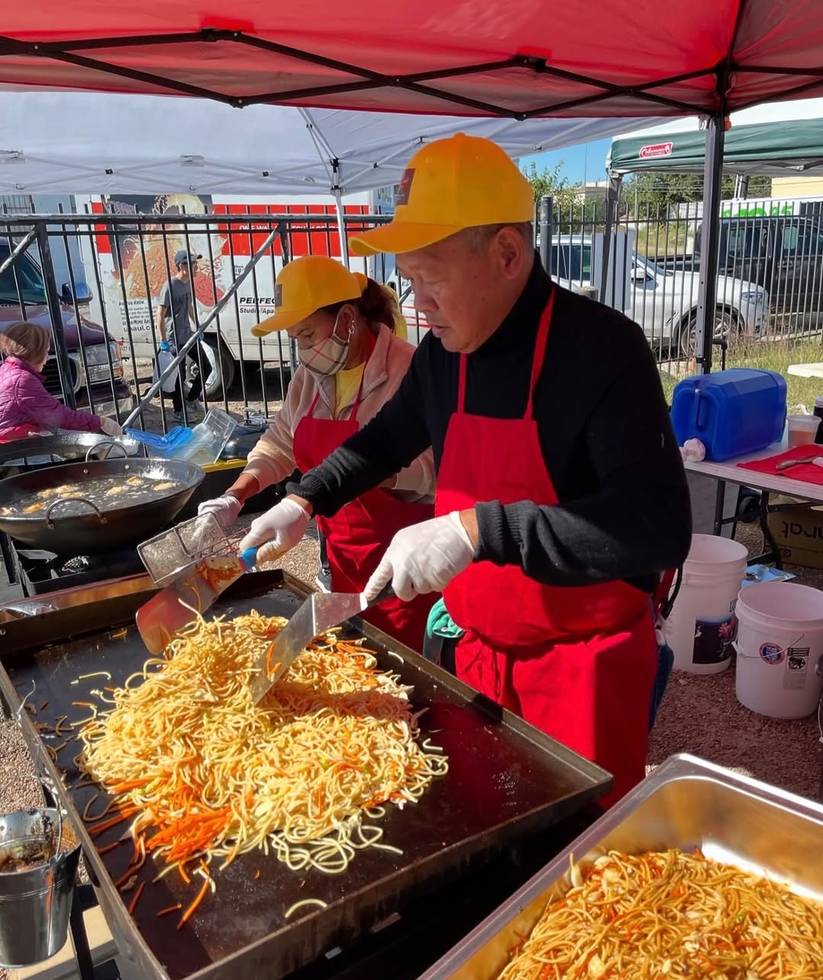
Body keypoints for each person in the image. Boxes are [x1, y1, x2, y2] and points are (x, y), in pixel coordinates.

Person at [238, 134, 692, 805]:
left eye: (433, 279)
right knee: (479, 830)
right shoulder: (441, 357)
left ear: (507, 254)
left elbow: (657, 528)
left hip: (580, 673)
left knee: (574, 871)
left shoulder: (600, 350)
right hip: (477, 658)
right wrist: (301, 500)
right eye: (410, 282)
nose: (418, 304)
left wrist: (479, 530)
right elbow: (381, 442)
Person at [199, 255, 436, 651]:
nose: (302, 349)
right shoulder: (311, 376)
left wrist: (362, 468)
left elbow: (432, 470)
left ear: (347, 319)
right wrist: (234, 496)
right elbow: (278, 442)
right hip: (340, 559)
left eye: (307, 334)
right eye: (295, 338)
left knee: (405, 676)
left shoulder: (408, 369)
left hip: (403, 562)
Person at [0, 323, 122, 442]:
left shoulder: (7, 369)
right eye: (46, 351)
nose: (47, 358)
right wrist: (100, 422)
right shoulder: (22, 380)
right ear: (36, 352)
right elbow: (59, 416)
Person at [156, 249, 206, 423]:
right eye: (193, 265)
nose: (196, 268)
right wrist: (163, 341)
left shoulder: (187, 284)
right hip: (174, 338)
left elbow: (189, 306)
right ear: (182, 266)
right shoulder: (169, 286)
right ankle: (178, 410)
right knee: (180, 376)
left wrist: (197, 326)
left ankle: (191, 400)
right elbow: (160, 315)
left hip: (187, 334)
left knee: (206, 366)